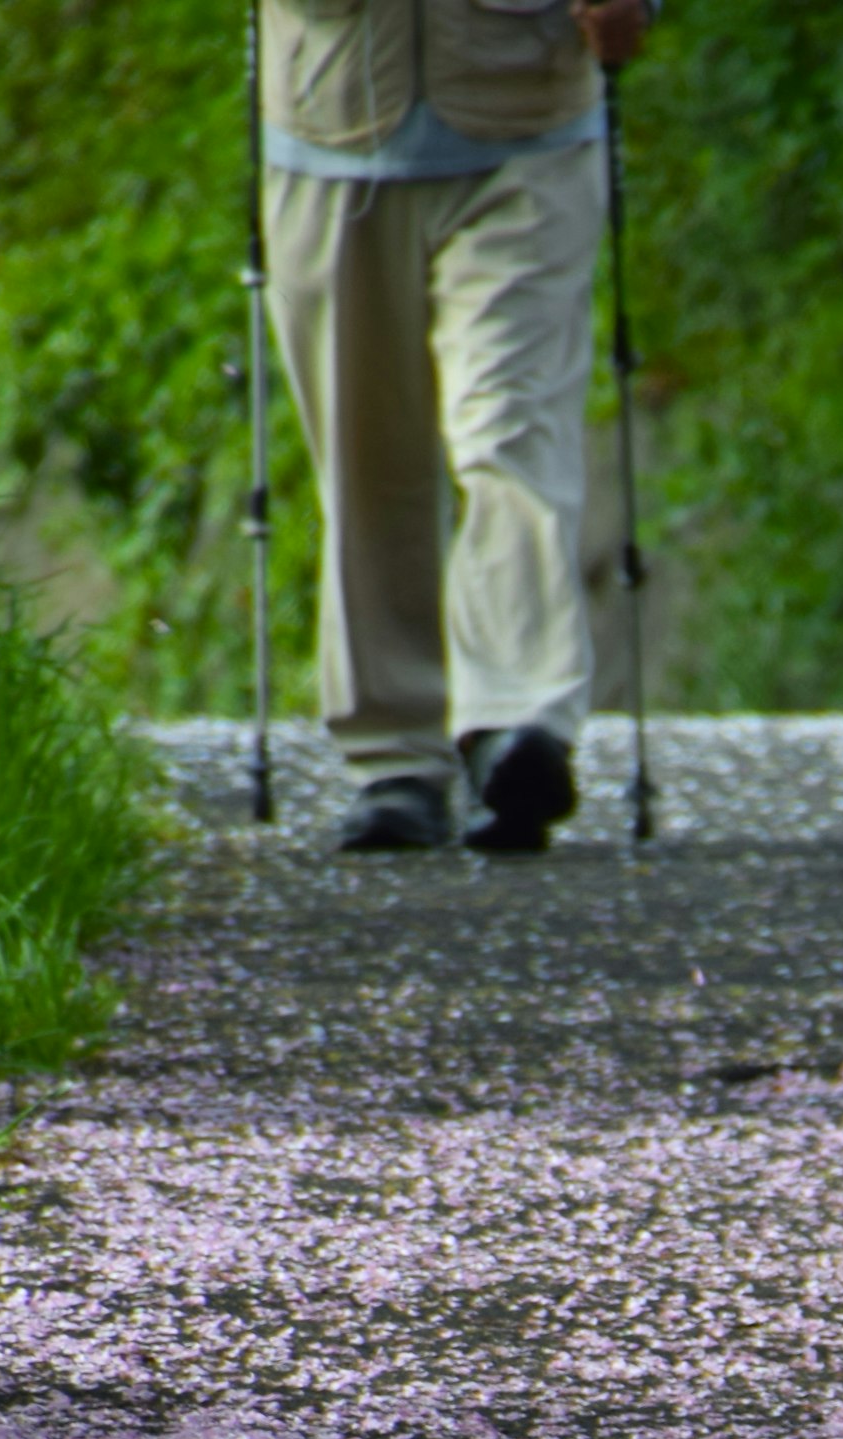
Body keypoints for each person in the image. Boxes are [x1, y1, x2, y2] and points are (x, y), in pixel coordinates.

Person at [258, 0, 652, 854]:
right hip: (329, 127)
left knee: (507, 426)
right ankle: (397, 760)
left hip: (528, 130)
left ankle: (519, 719)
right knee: (367, 462)